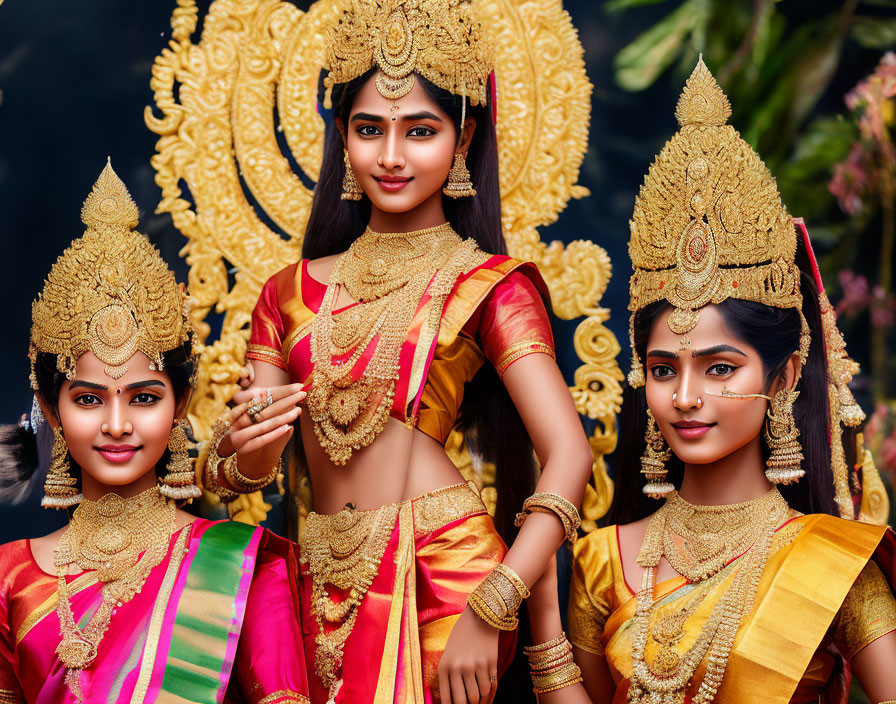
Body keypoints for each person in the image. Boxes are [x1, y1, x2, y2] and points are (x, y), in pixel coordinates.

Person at [202, 0, 595, 702]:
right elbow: (249, 469)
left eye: (419, 131)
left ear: (464, 136)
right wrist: (242, 451)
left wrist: (495, 600)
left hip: (445, 572)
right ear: (343, 138)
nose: (390, 155)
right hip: (317, 575)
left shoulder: (488, 286)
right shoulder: (285, 294)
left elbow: (569, 456)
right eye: (368, 129)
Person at [523, 59, 896, 704]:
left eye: (719, 368)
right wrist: (543, 617)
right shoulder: (603, 562)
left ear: (785, 377)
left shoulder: (832, 564)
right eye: (665, 370)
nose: (686, 397)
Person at [0, 162, 309, 703]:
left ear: (181, 402)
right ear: (51, 409)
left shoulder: (239, 564)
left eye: (143, 398)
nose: (117, 425)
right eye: (89, 399)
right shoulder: (8, 580)